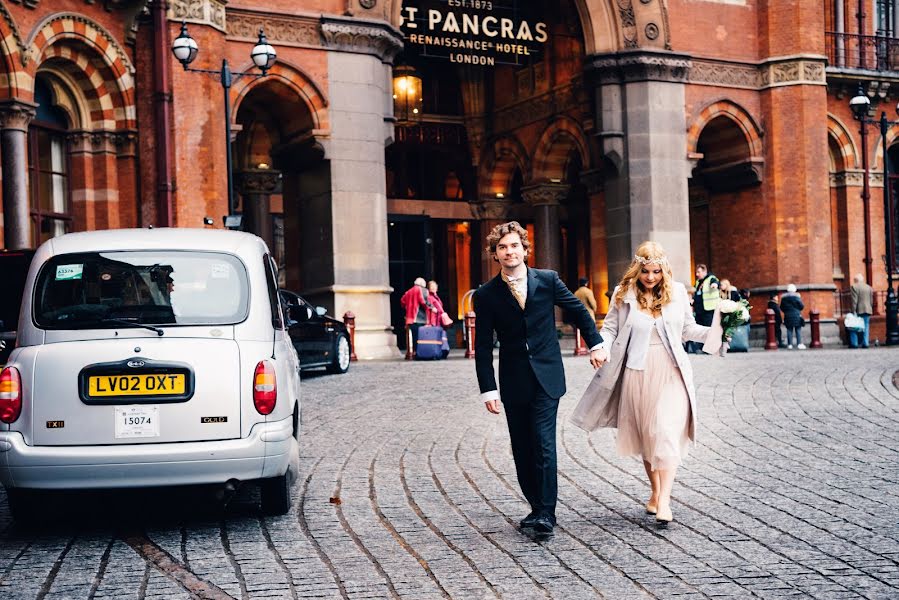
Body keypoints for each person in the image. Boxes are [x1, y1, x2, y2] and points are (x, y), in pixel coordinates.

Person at [570, 241, 723, 526]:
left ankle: (665, 499)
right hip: (637, 371)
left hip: (671, 371)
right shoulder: (622, 293)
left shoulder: (677, 292)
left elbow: (688, 329)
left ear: (664, 270)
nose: (651, 278)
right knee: (647, 437)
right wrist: (598, 347)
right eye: (645, 272)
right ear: (637, 270)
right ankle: (654, 492)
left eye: (655, 272)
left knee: (664, 431)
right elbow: (610, 329)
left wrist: (719, 331)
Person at [473, 221, 603, 536]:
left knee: (543, 443)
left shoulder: (547, 281)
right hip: (513, 380)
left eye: (514, 245)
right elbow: (482, 346)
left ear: (525, 249)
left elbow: (578, 311)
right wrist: (488, 390)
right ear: (496, 254)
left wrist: (595, 344)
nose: (509, 251)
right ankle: (535, 506)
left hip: (547, 376)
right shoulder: (487, 295)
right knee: (522, 446)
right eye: (502, 247)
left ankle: (547, 512)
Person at [400, 277, 435, 348]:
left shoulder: (408, 291)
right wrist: (432, 307)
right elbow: (423, 301)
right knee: (421, 337)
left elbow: (402, 301)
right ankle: (420, 352)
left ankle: (414, 352)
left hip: (410, 319)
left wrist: (407, 308)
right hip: (419, 318)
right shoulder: (423, 290)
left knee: (414, 337)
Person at [849, 274, 873, 349]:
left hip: (859, 310)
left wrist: (853, 311)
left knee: (853, 327)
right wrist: (870, 307)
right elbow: (871, 300)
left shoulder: (854, 287)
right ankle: (865, 343)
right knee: (866, 327)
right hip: (867, 309)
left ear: (855, 280)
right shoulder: (869, 287)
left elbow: (854, 301)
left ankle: (854, 343)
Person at [780, 283, 805, 349]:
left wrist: (786, 311)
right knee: (798, 329)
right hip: (796, 315)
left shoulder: (783, 298)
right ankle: (799, 344)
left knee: (789, 330)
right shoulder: (797, 297)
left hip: (787, 315)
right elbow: (802, 306)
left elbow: (781, 307)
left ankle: (790, 344)